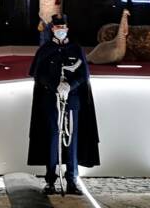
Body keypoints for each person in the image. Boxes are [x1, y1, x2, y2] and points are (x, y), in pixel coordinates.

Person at [27, 14, 100, 195]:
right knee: (52, 140)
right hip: (51, 101)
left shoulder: (76, 49)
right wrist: (55, 85)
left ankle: (72, 180)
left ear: (67, 29)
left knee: (72, 141)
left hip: (72, 101)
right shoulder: (45, 50)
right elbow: (38, 74)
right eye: (57, 28)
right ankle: (50, 180)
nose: (61, 30)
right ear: (52, 29)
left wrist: (70, 85)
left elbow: (84, 74)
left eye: (63, 28)